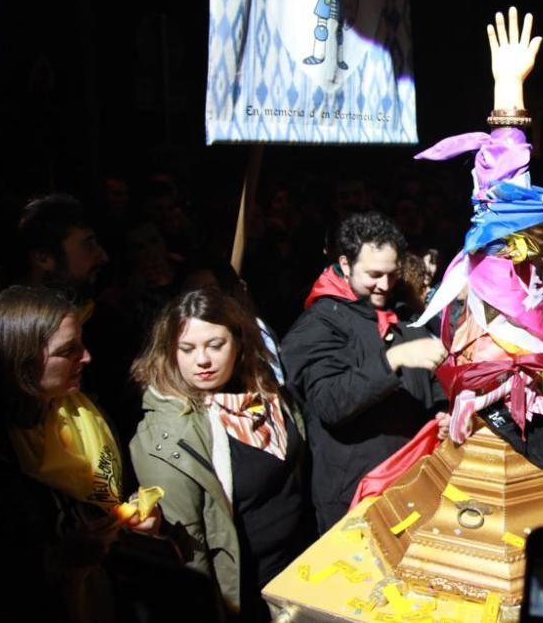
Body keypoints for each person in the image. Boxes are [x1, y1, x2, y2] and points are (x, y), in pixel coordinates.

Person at [130, 288, 311, 621]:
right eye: (187, 348)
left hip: (300, 572)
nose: (202, 360)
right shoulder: (168, 435)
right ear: (170, 352)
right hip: (249, 598)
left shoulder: (264, 390)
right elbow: (189, 554)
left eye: (215, 345)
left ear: (239, 342)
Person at [0, 286, 158, 622]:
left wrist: (132, 520)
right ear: (21, 362)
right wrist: (62, 564)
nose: (87, 357)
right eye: (68, 350)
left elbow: (110, 498)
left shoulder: (82, 413)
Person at [281, 211, 448, 533]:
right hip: (352, 493)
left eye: (392, 274)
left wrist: (442, 412)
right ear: (345, 265)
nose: (384, 285)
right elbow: (330, 403)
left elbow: (431, 383)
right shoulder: (319, 324)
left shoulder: (403, 315)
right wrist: (392, 360)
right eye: (373, 274)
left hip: (409, 480)